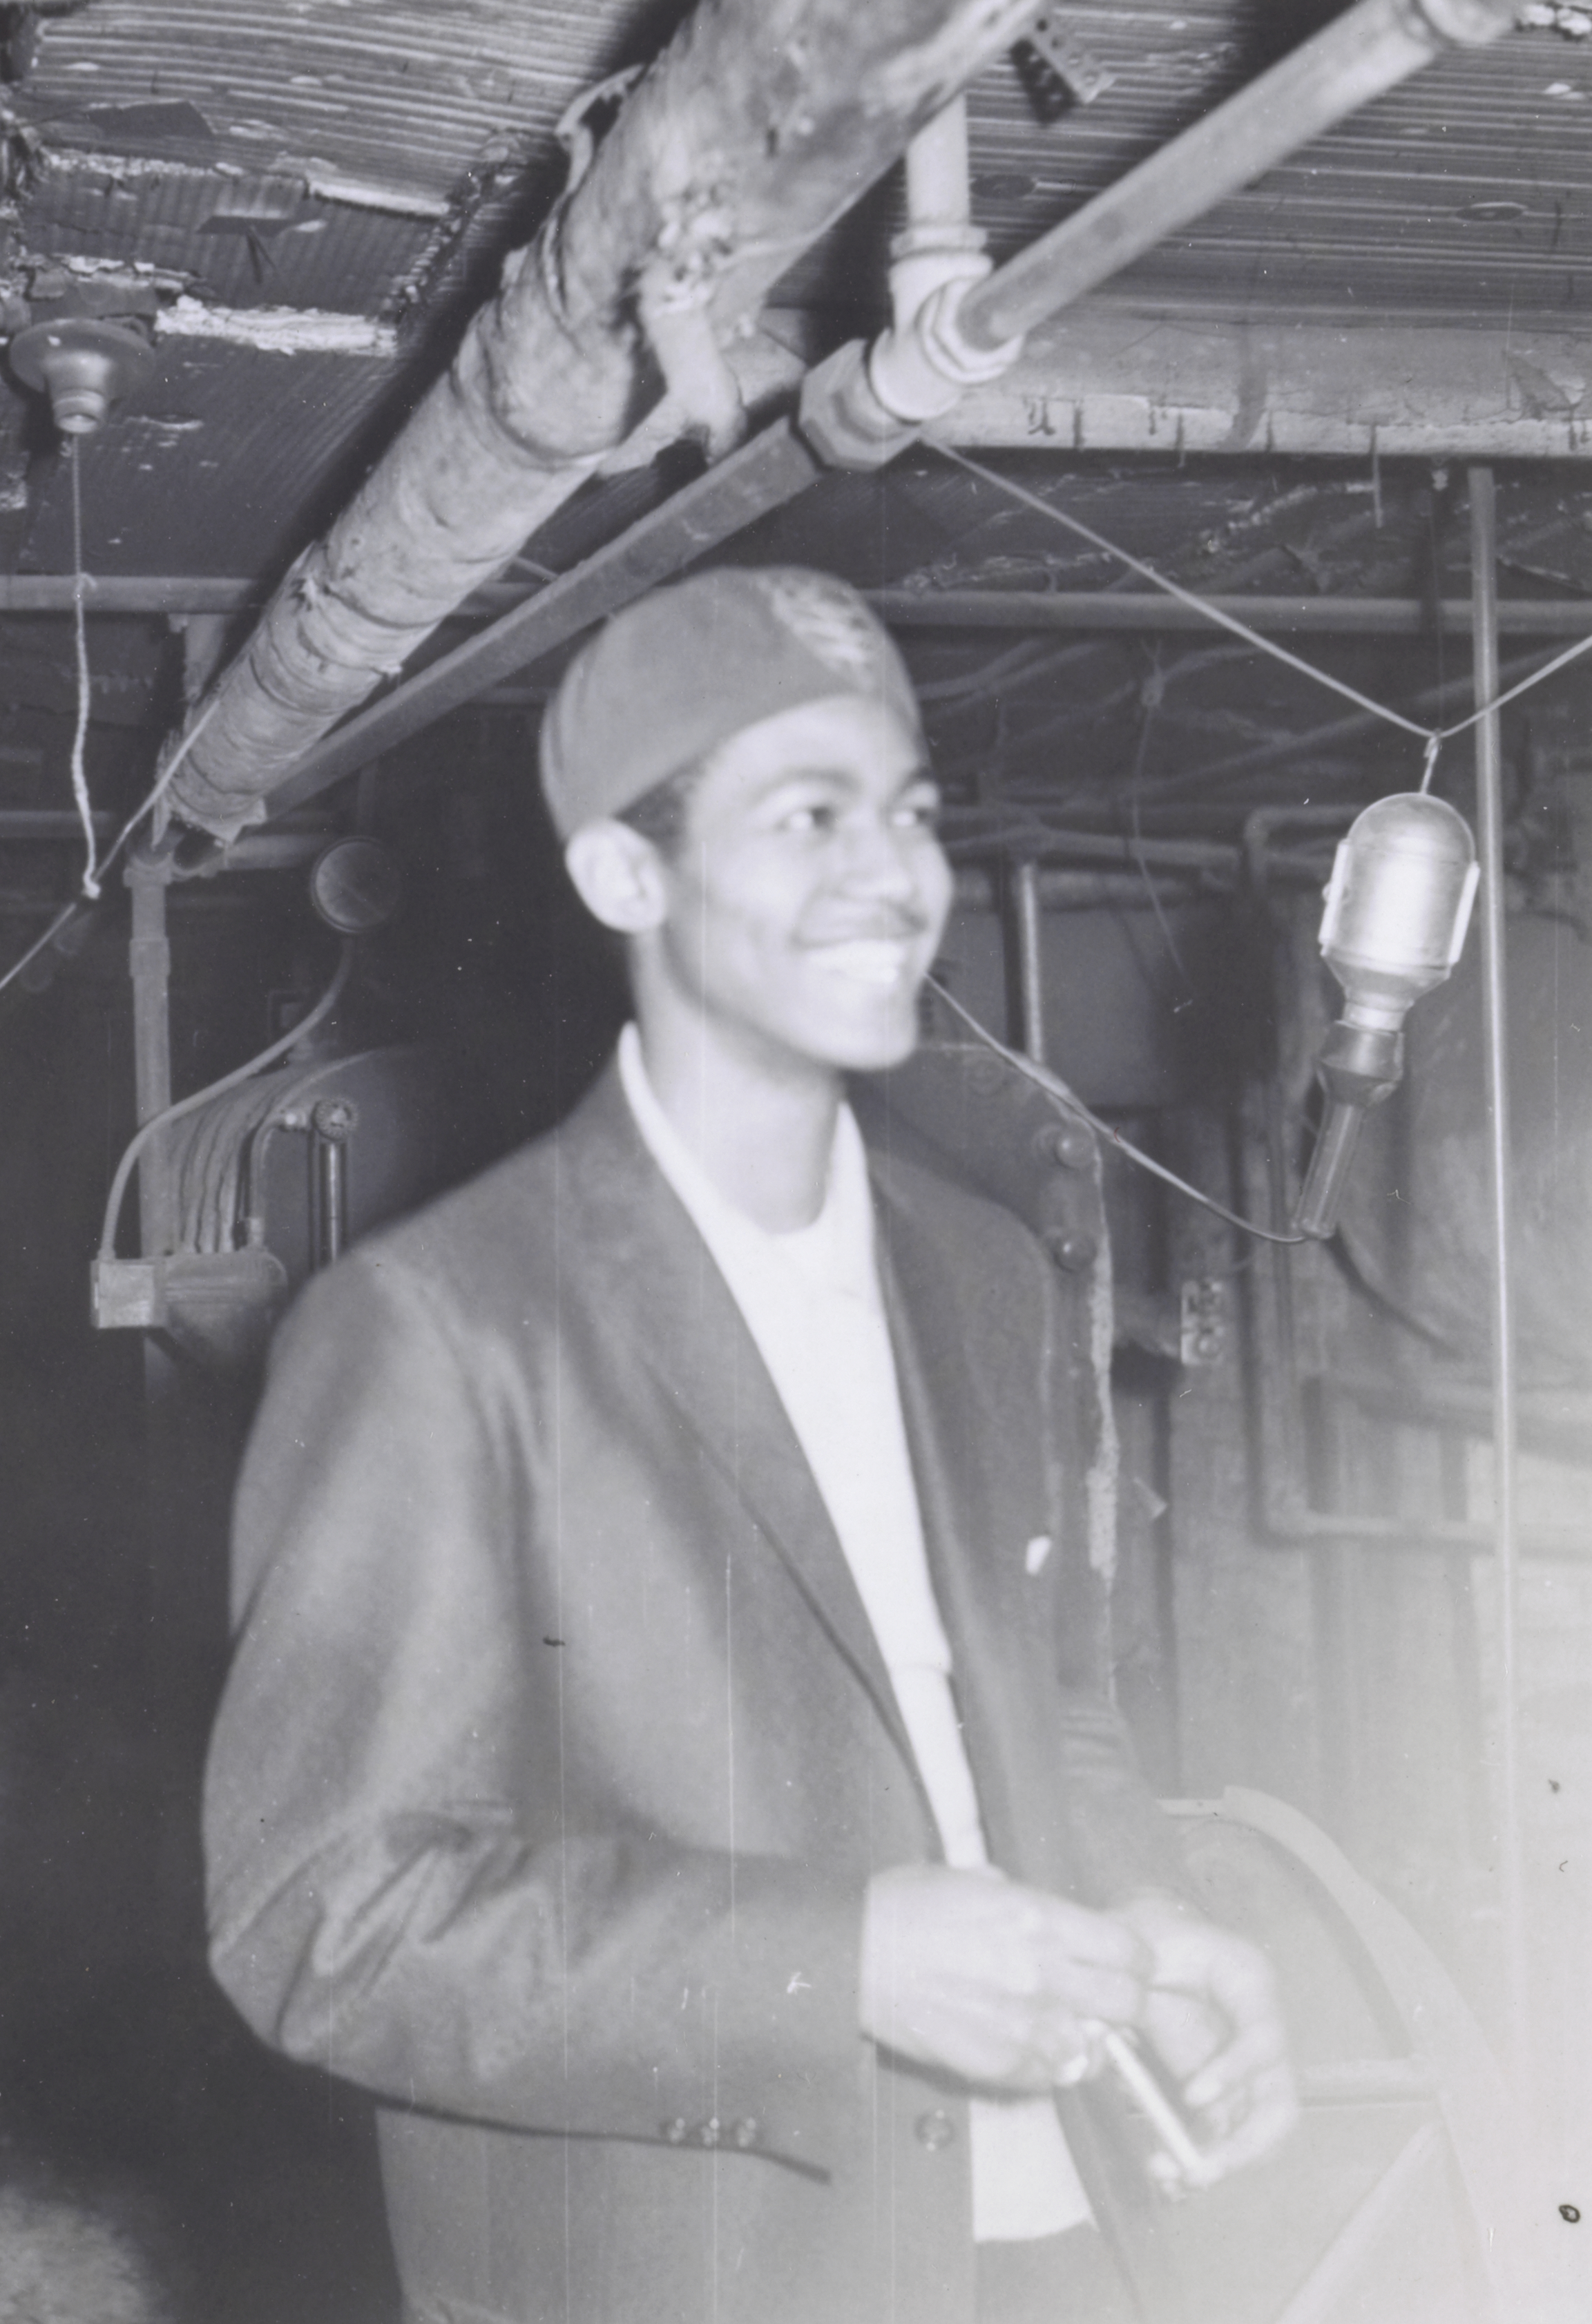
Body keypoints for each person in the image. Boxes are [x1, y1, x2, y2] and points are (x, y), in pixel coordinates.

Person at [202, 568, 1297, 2323]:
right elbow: (324, 1920)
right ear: (622, 878)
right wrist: (834, 1970)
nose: (893, 875)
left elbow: (1038, 1709)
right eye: (807, 818)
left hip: (1043, 2232)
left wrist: (1143, 1917)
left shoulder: (984, 1272)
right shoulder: (440, 1327)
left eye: (909, 814)